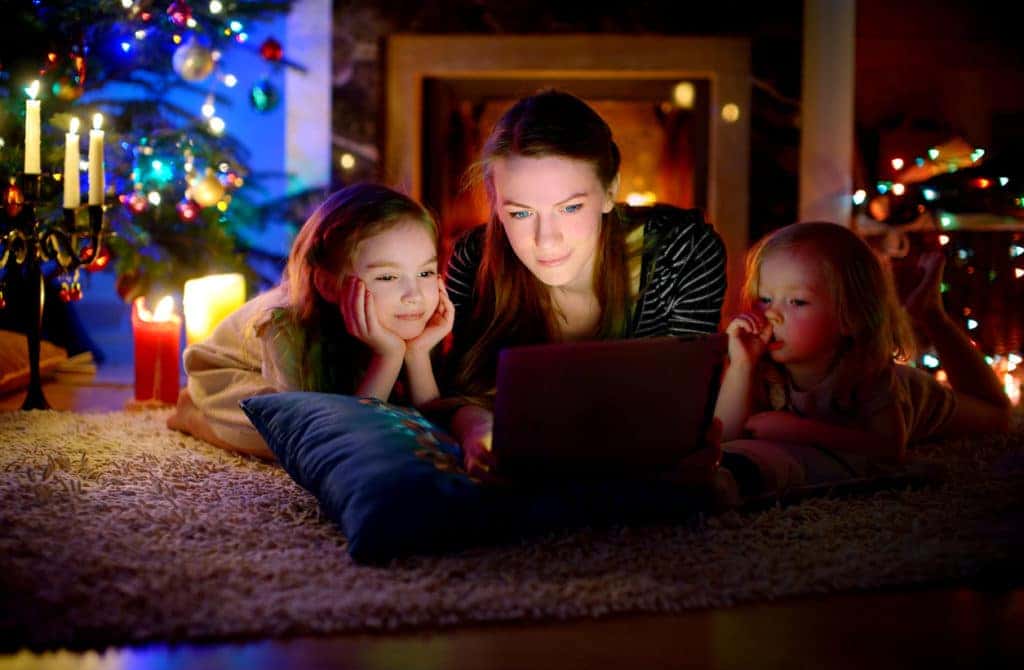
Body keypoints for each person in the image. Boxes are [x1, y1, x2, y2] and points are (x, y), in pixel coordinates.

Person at [442, 89, 728, 478]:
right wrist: (476, 429)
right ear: (494, 203)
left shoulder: (684, 253)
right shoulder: (474, 259)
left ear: (610, 190)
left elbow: (685, 406)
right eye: (522, 212)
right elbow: (453, 391)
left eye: (570, 207)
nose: (546, 239)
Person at [714, 221, 1011, 495]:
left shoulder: (869, 371)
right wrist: (741, 364)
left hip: (918, 398)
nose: (772, 314)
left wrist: (796, 429)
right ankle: (926, 312)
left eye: (798, 301)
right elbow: (723, 436)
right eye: (765, 298)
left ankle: (933, 315)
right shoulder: (764, 367)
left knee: (996, 415)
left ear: (850, 317)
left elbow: (889, 448)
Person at [167, 183, 454, 459]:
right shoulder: (286, 328)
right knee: (292, 436)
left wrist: (417, 354)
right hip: (225, 373)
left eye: (426, 273)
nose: (414, 294)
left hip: (295, 383)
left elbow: (436, 433)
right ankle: (192, 414)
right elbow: (342, 442)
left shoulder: (406, 319)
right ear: (329, 286)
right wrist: (388, 356)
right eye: (388, 277)